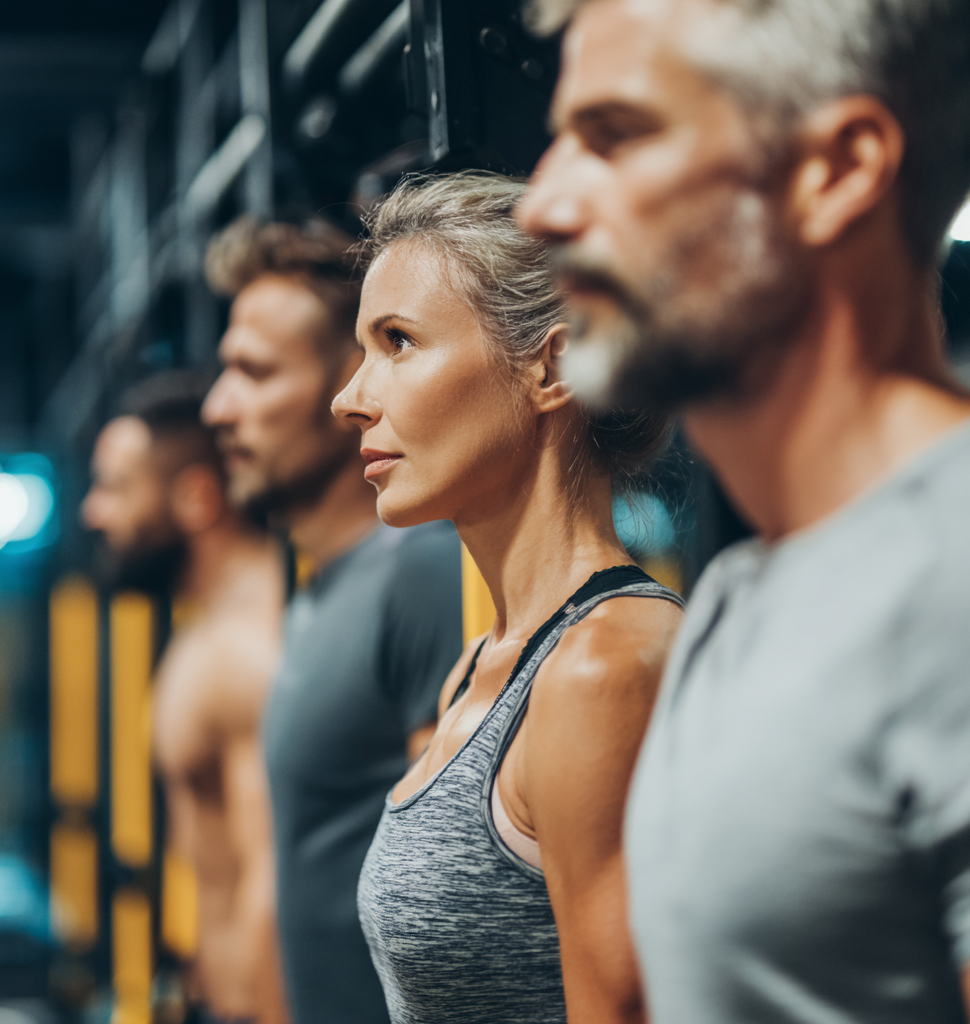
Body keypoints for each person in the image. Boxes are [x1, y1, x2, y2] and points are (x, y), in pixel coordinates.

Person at [519, 1, 970, 1021]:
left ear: (837, 170)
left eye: (615, 136)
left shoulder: (953, 581)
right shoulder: (737, 592)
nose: (541, 204)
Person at [331, 171, 683, 1024]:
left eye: (399, 342)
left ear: (551, 366)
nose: (349, 399)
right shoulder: (478, 670)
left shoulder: (604, 667)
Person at [200, 216, 463, 1024]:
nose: (219, 408)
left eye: (255, 372)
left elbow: (458, 906)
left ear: (351, 384)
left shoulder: (423, 574)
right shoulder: (321, 594)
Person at [81, 372, 288, 1024]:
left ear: (196, 498)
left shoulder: (244, 650)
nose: (95, 512)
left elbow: (274, 883)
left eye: (117, 487)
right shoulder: (205, 633)